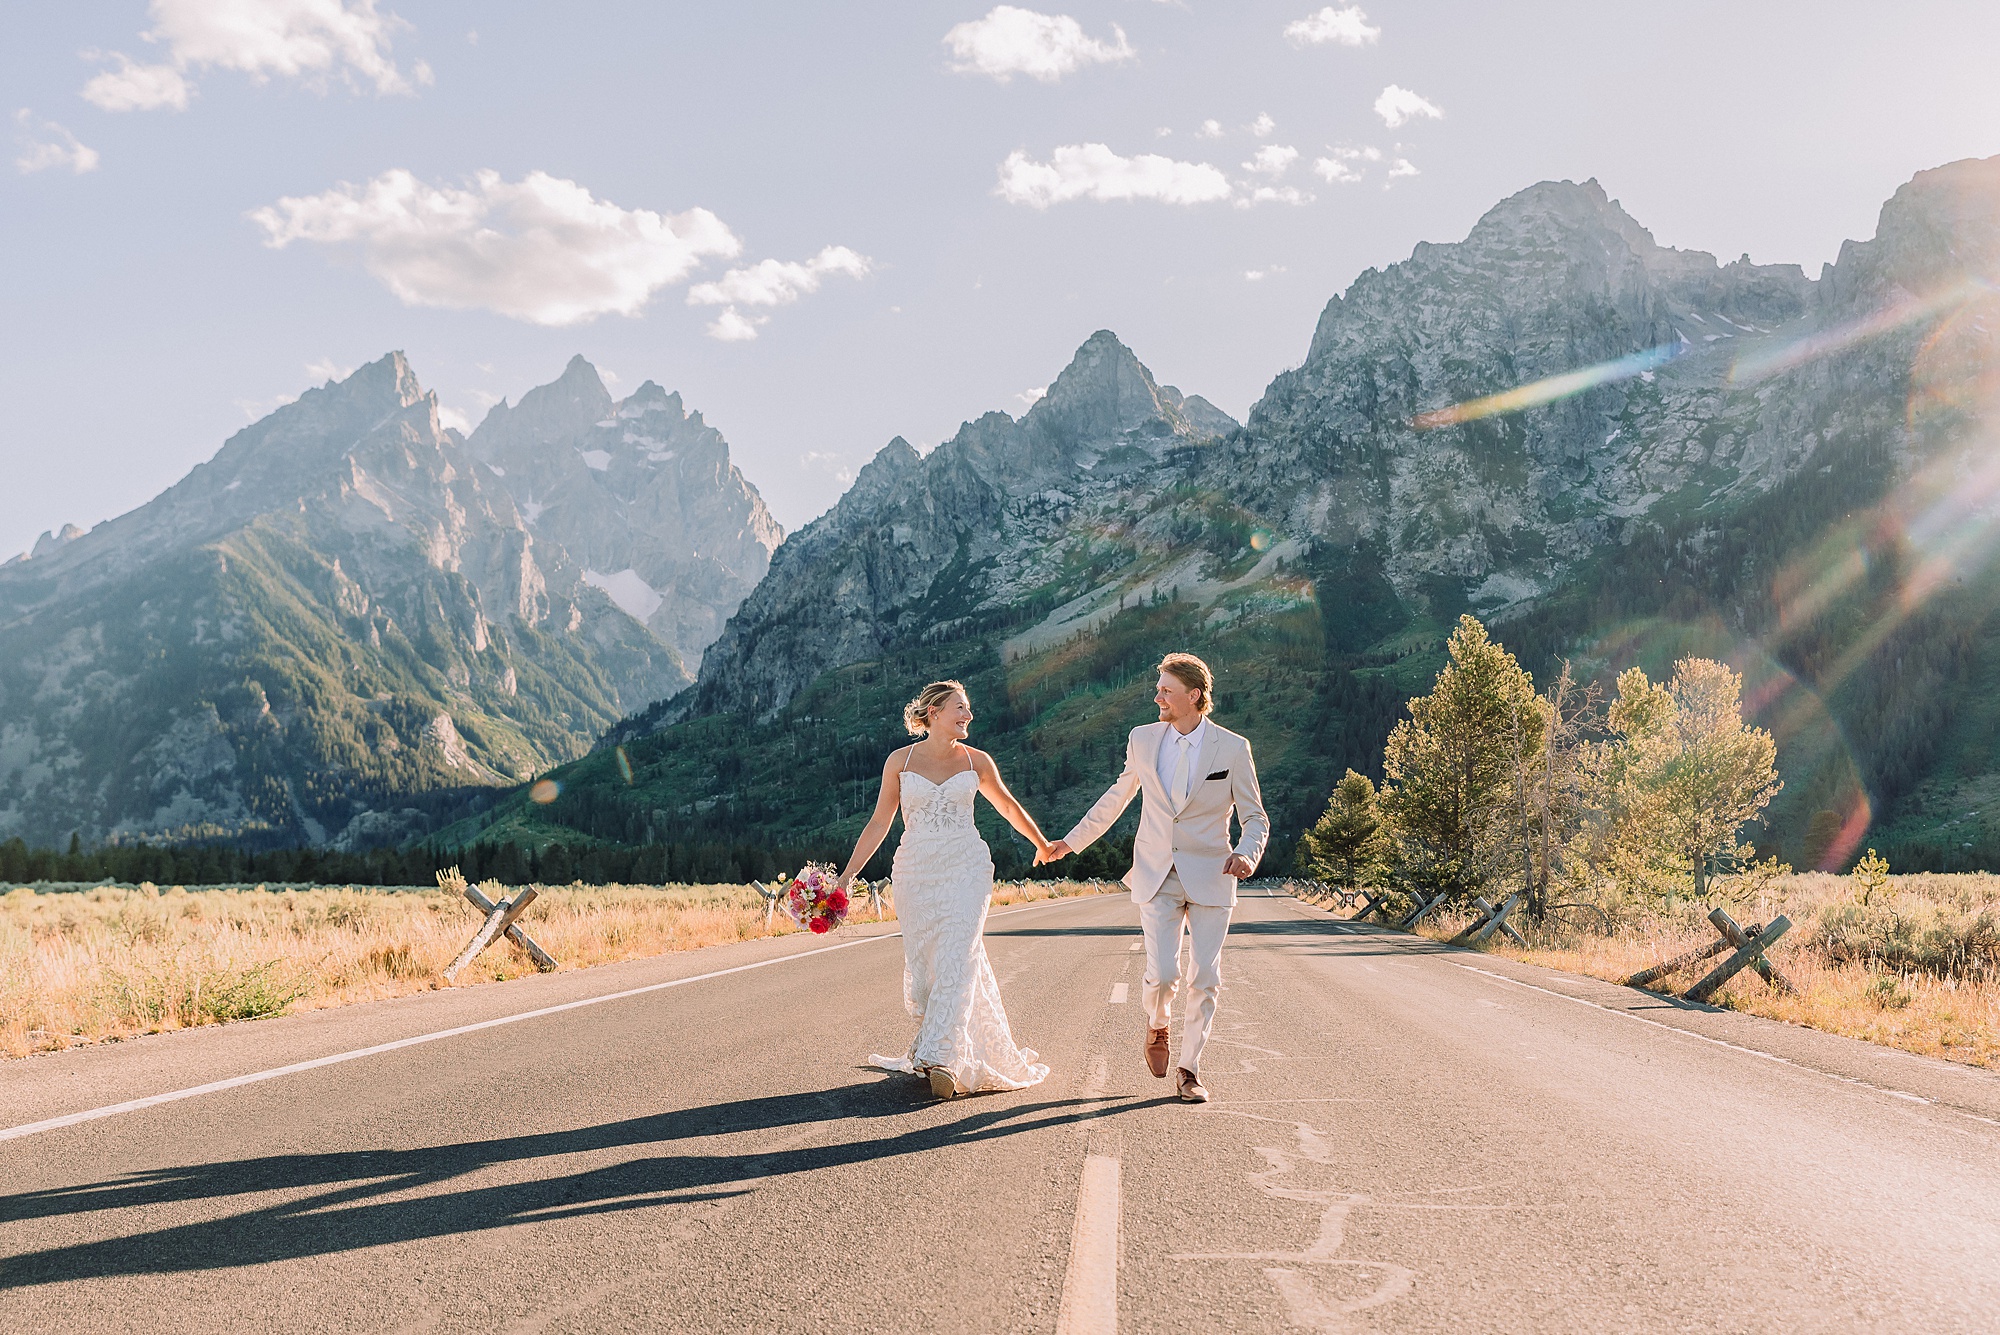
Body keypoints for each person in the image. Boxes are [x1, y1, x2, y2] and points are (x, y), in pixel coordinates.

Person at [1044, 652, 1268, 1103]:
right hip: (1156, 872)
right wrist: (1070, 842)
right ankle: (1158, 1024)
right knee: (1164, 973)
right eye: (1159, 688)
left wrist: (1247, 853)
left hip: (1213, 873)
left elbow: (1255, 817)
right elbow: (1116, 797)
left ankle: (1190, 1070)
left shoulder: (1232, 747)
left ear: (1194, 696)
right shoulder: (1143, 739)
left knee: (1205, 977)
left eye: (1166, 690)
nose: (1157, 696)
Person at [839, 680, 1057, 1100]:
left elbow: (1008, 805)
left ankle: (944, 1058)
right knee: (928, 970)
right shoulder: (898, 762)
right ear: (934, 712)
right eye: (960, 707)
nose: (968, 715)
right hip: (915, 872)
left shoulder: (978, 761)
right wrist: (848, 876)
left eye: (969, 708)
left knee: (959, 953)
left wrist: (1042, 843)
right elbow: (879, 822)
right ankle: (938, 1045)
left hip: (966, 868)